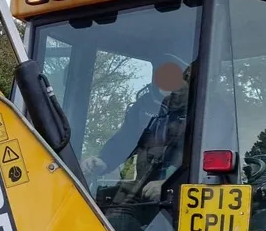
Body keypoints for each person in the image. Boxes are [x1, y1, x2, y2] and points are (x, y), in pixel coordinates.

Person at [81, 56, 194, 201]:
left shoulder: (206, 109)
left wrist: (172, 185)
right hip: (139, 190)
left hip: (183, 196)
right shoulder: (145, 104)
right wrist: (104, 161)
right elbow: (127, 138)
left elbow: (205, 161)